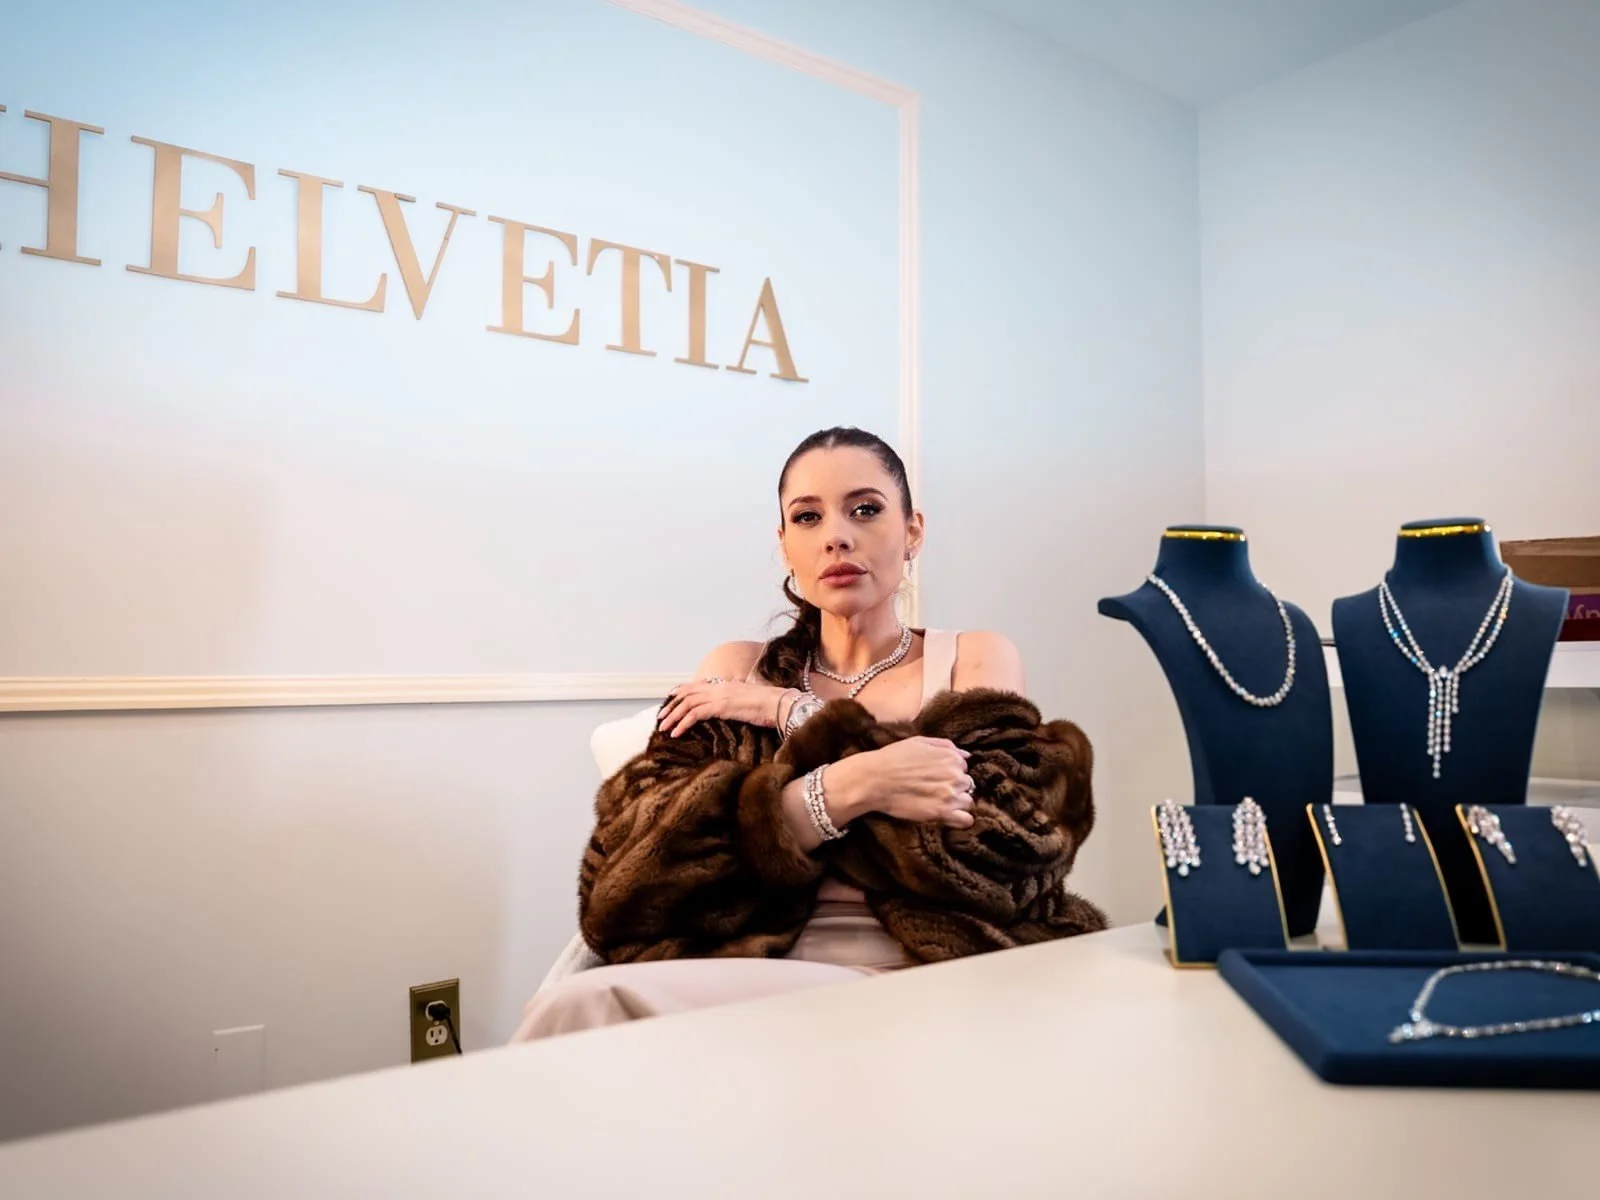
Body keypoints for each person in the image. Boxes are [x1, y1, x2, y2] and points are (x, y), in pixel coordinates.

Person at [510, 427, 1106, 1041]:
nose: (836, 536)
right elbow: (639, 877)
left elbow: (1006, 850)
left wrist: (793, 723)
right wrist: (856, 784)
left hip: (930, 970)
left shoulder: (972, 658)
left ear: (913, 532)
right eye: (807, 517)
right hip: (748, 967)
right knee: (579, 1004)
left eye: (865, 509)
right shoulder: (735, 670)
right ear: (785, 543)